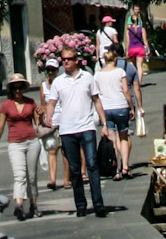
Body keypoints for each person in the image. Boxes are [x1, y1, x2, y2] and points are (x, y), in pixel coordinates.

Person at [45, 50, 108, 217]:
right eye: (63, 60)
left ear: (76, 61)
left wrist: (105, 123)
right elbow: (51, 103)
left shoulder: (87, 78)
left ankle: (98, 204)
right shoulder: (58, 82)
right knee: (74, 170)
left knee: (92, 165)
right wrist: (49, 116)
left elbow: (96, 100)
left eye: (69, 59)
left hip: (87, 126)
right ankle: (80, 205)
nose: (65, 62)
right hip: (67, 130)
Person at [0, 75, 44, 218]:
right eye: (15, 87)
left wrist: (41, 117)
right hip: (15, 143)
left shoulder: (31, 103)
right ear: (11, 89)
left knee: (32, 176)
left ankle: (34, 204)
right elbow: (0, 128)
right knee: (19, 175)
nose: (18, 90)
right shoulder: (6, 105)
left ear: (23, 88)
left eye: (20, 87)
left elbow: (38, 125)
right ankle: (19, 205)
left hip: (32, 141)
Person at [93, 48, 134, 181]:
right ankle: (125, 167)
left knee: (112, 138)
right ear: (115, 59)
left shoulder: (98, 75)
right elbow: (126, 90)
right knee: (123, 136)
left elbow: (96, 94)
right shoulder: (120, 71)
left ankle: (115, 169)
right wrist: (132, 107)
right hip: (121, 106)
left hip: (106, 108)